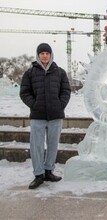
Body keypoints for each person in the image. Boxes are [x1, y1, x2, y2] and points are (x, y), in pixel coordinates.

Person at [20, 43, 71, 189]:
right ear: (38, 55)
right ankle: (38, 175)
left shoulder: (59, 72)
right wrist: (34, 104)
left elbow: (66, 91)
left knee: (53, 144)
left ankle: (49, 171)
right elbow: (24, 93)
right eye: (42, 53)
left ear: (51, 55)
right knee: (36, 146)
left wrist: (60, 105)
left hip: (55, 115)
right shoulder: (30, 73)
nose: (44, 56)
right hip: (38, 116)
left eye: (47, 53)